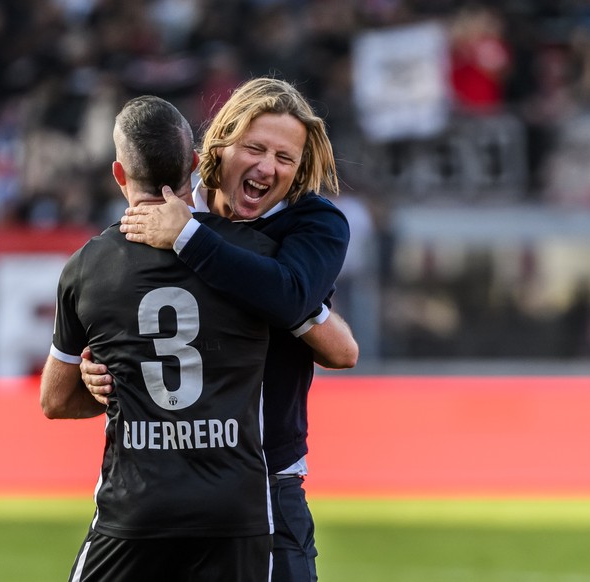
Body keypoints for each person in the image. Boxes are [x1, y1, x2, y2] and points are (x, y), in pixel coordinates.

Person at [81, 77, 356, 582]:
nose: (268, 167)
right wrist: (93, 368)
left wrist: (188, 238)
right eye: (255, 148)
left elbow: (293, 296)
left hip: (266, 480)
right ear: (219, 143)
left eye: (285, 158)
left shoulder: (312, 223)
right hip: (157, 479)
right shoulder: (170, 205)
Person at [40, 95, 276, 582]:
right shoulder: (252, 255)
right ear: (194, 164)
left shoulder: (88, 267)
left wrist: (106, 382)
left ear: (119, 174)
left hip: (136, 510)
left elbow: (55, 400)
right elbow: (337, 346)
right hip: (235, 512)